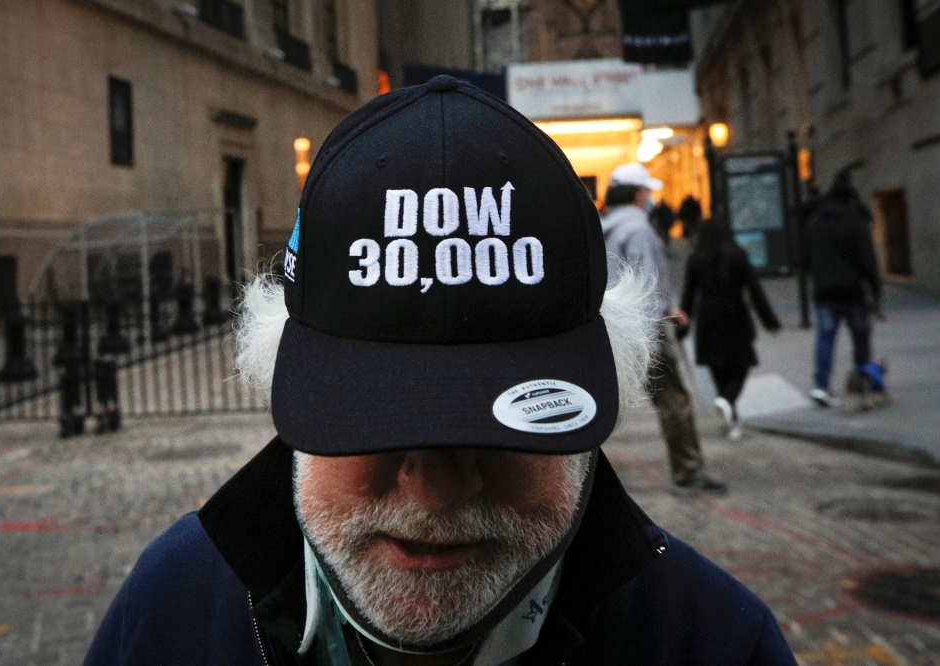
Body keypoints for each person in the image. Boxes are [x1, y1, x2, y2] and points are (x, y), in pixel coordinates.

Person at [85, 76, 797, 666]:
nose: (437, 487)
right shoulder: (172, 610)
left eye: (500, 424)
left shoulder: (716, 643)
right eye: (374, 413)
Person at [600, 163, 726, 495]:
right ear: (637, 194)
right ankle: (688, 472)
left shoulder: (605, 227)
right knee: (675, 401)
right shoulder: (638, 229)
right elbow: (644, 283)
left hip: (616, 326)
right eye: (646, 191)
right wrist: (651, 339)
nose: (649, 197)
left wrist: (670, 307)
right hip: (644, 329)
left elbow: (620, 279)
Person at [680, 219, 780, 440]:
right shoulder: (738, 256)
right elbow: (755, 291)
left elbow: (688, 296)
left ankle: (731, 417)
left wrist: (682, 330)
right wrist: (770, 322)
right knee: (741, 365)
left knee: (719, 372)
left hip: (708, 319)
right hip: (735, 316)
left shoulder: (695, 259)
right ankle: (727, 404)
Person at [802, 170, 882, 409]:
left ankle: (821, 386)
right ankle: (861, 382)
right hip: (853, 292)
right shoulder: (854, 223)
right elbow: (868, 261)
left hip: (824, 293)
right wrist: (875, 291)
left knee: (825, 338)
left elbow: (805, 260)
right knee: (861, 337)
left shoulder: (815, 223)